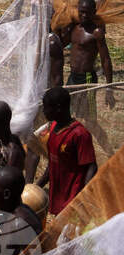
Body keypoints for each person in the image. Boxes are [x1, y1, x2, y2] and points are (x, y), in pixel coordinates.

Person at [61, 0, 114, 153]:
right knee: (66, 114)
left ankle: (109, 152)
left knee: (90, 121)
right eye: (81, 12)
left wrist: (109, 88)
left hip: (87, 79)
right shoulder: (74, 29)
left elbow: (105, 60)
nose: (84, 16)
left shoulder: (96, 33)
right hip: (72, 77)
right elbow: (61, 43)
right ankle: (72, 150)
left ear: (94, 12)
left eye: (87, 13)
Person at [36, 86, 97, 216]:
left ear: (58, 108)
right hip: (58, 194)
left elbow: (91, 166)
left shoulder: (80, 134)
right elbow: (52, 162)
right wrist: (36, 187)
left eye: (46, 107)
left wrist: (83, 196)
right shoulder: (52, 128)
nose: (44, 111)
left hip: (72, 197)